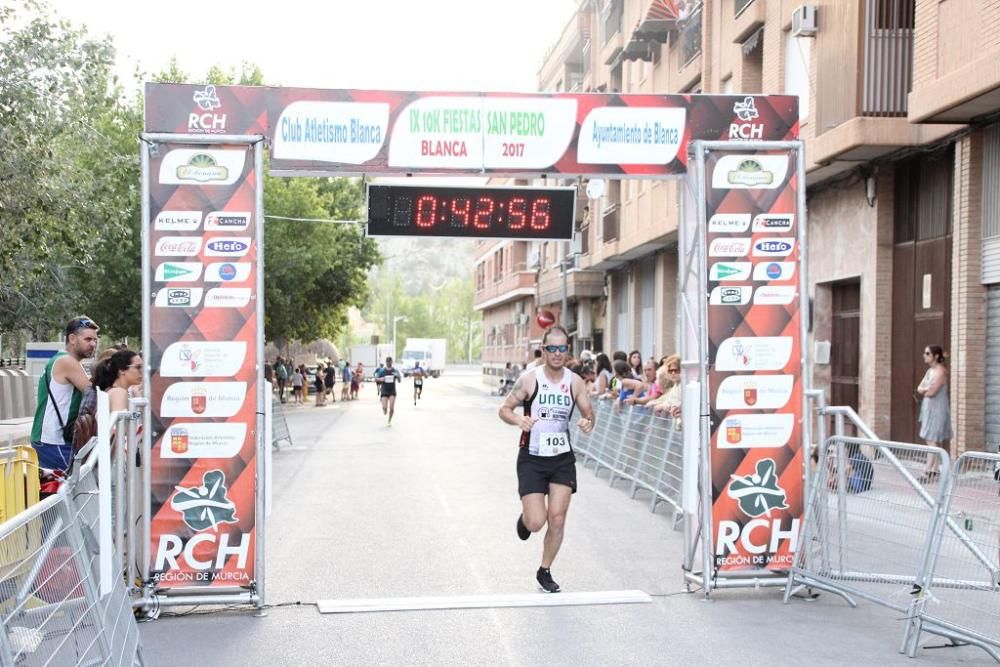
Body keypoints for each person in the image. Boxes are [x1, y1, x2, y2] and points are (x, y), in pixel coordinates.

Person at [499, 325, 595, 594]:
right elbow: (504, 409)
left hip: (562, 458)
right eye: (551, 348)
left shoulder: (575, 382)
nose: (557, 353)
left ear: (567, 350)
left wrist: (588, 423)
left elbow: (589, 413)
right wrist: (519, 419)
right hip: (532, 457)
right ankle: (526, 519)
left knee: (558, 518)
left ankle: (545, 570)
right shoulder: (530, 379)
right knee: (536, 522)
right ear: (543, 350)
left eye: (562, 348)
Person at [31, 316, 100, 471]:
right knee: (71, 490)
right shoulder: (66, 361)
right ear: (72, 338)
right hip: (54, 441)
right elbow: (95, 393)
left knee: (59, 492)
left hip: (49, 440)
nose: (93, 344)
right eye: (88, 339)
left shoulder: (59, 359)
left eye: (95, 340)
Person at [916, 345, 952, 483]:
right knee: (931, 439)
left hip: (937, 409)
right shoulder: (930, 371)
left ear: (935, 356)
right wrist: (926, 389)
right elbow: (920, 388)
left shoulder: (940, 371)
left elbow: (931, 392)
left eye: (927, 353)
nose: (924, 355)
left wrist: (925, 389)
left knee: (932, 439)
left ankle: (928, 471)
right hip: (928, 408)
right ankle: (935, 470)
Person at [374, 356, 403, 425]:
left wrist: (398, 376)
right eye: (387, 361)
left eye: (390, 361)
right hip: (384, 390)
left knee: (392, 408)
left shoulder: (395, 371)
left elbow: (399, 380)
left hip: (392, 391)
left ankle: (389, 421)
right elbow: (376, 378)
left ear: (392, 362)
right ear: (386, 362)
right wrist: (380, 379)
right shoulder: (382, 370)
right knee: (385, 409)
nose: (389, 363)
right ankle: (383, 406)